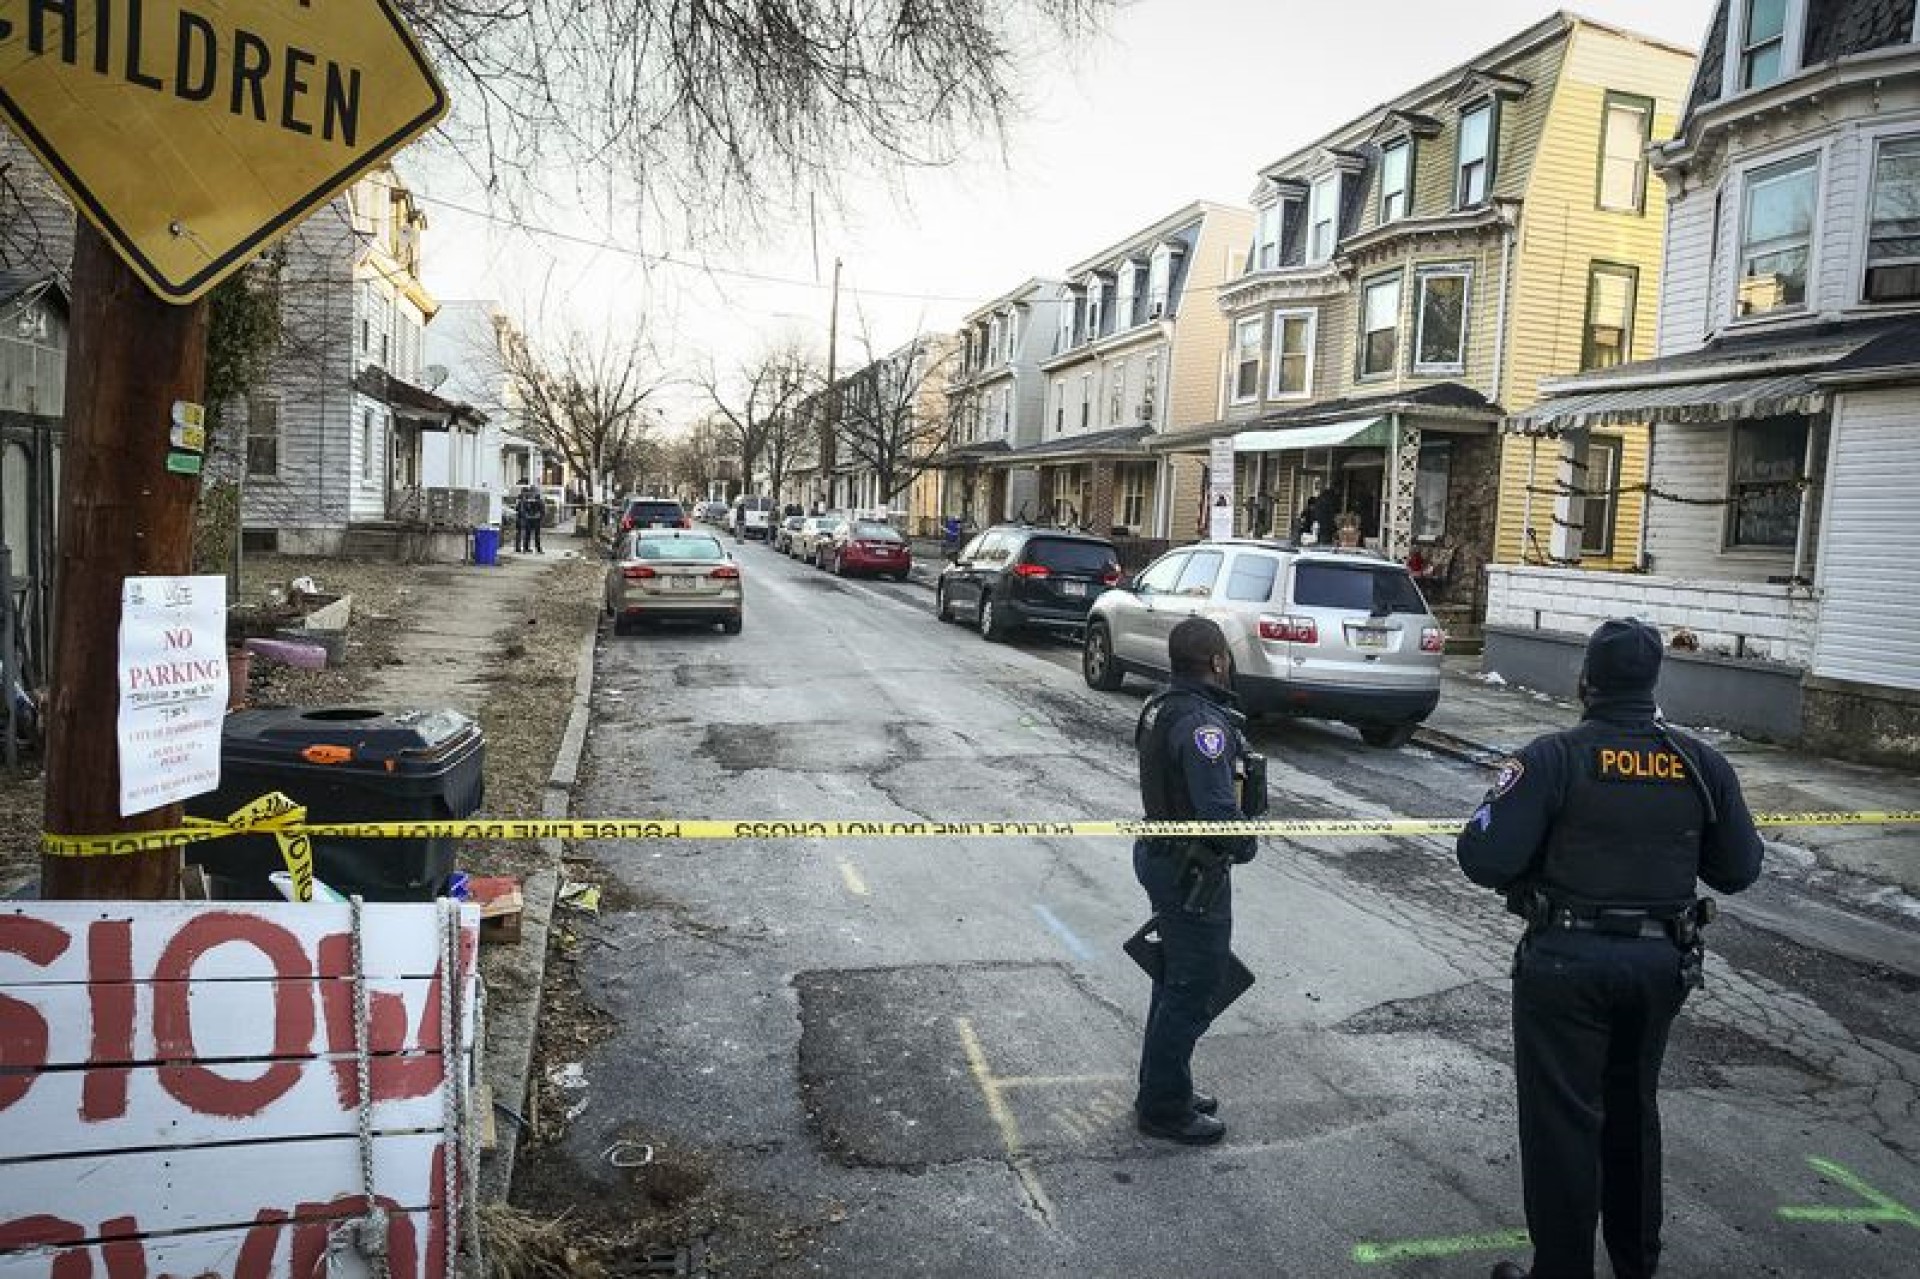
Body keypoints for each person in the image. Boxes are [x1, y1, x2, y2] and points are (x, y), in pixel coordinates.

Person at [1456, 618, 1763, 1279]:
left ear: (1585, 680)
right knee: (1632, 1111)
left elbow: (1482, 855)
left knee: (1563, 1122)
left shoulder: (1552, 757)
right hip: (1661, 967)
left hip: (1566, 965)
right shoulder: (1699, 762)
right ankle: (1636, 1265)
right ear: (1652, 682)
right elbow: (1739, 867)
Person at [1131, 616, 1262, 1145]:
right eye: (1225, 654)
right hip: (1191, 868)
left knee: (1174, 980)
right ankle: (1164, 1108)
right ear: (1215, 661)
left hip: (1165, 855)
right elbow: (1215, 812)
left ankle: (1163, 1085)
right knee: (1195, 985)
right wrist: (1245, 844)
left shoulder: (1162, 705)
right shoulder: (1205, 725)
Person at [514, 483, 544, 554]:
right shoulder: (526, 500)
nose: (533, 493)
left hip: (536, 520)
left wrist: (538, 515)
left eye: (534, 491)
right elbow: (522, 509)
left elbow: (542, 510)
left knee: (537, 535)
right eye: (532, 491)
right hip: (528, 520)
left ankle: (538, 549)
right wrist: (526, 515)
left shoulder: (539, 500)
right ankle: (526, 548)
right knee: (527, 534)